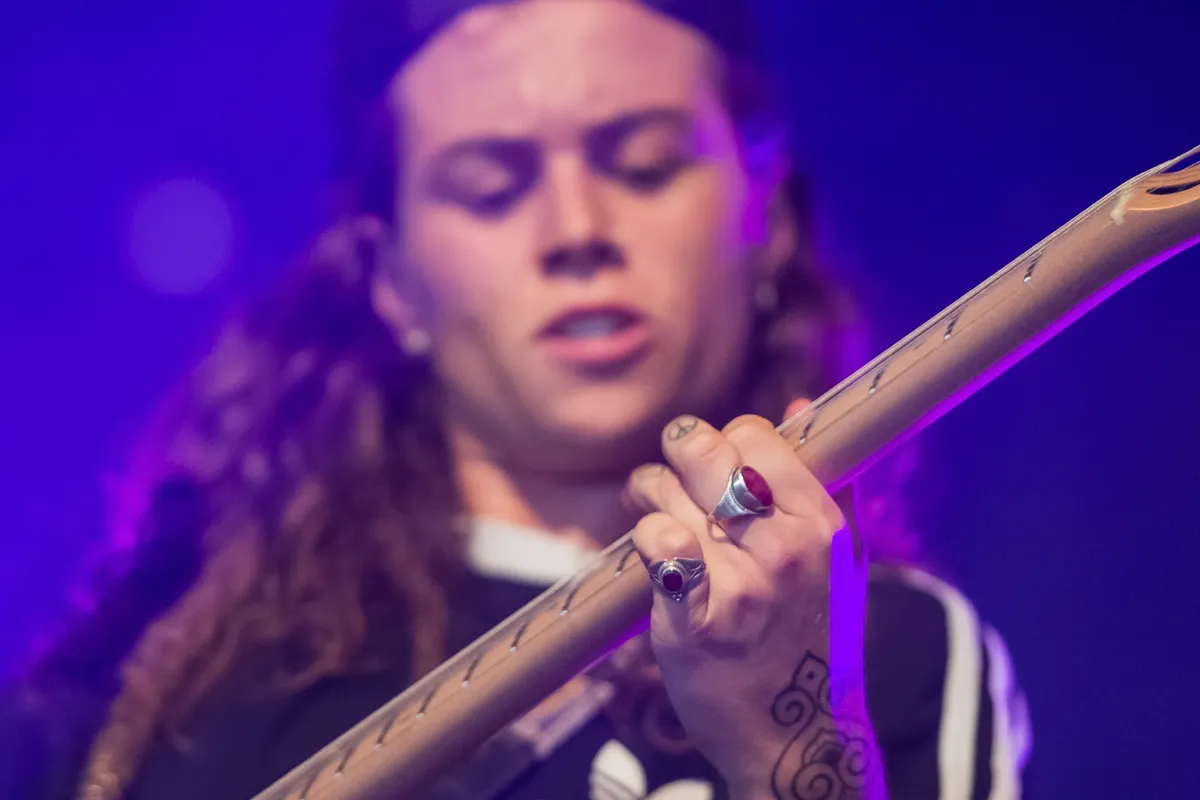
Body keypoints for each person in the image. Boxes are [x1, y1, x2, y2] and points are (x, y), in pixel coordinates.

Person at [0, 0, 1032, 798]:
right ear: (391, 276)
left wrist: (789, 739)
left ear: (770, 213)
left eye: (645, 165)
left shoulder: (881, 649)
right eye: (491, 186)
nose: (576, 229)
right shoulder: (163, 667)